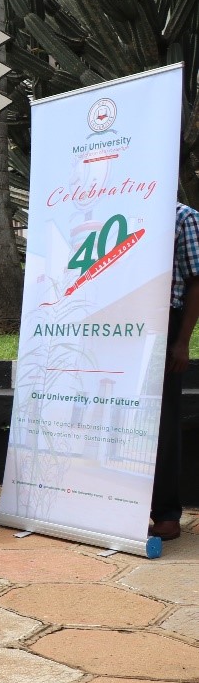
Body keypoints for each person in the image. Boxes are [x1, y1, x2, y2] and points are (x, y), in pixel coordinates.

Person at [150, 201, 199, 540]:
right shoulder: (123, 207)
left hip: (166, 322)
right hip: (123, 320)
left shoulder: (184, 217)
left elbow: (197, 281)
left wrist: (182, 341)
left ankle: (166, 513)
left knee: (164, 422)